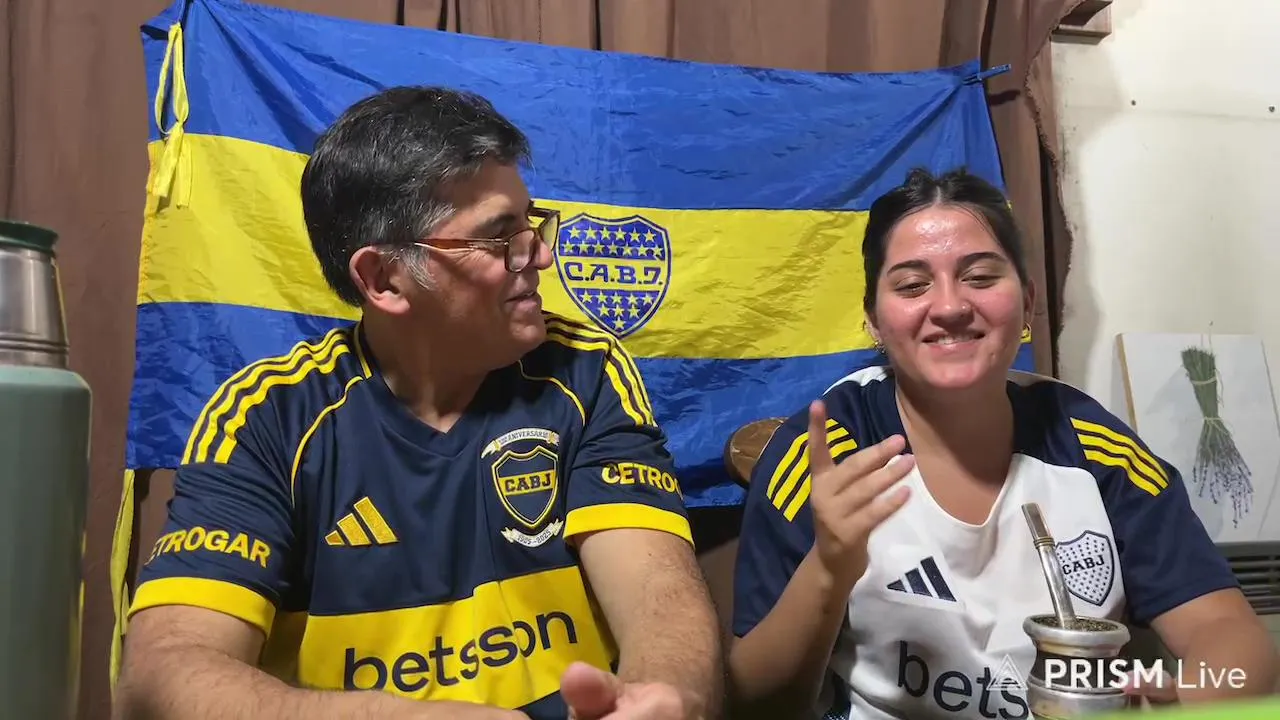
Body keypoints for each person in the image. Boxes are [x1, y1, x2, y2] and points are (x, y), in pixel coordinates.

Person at [113, 86, 722, 720]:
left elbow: (659, 591)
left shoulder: (585, 370)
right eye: (500, 238)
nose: (541, 255)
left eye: (532, 223)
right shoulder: (267, 418)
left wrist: (659, 694)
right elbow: (159, 677)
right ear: (383, 279)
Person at [727, 167, 1278, 719]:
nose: (949, 307)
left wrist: (1186, 698)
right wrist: (829, 569)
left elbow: (1232, 638)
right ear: (873, 318)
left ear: (1028, 299)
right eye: (913, 286)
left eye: (981, 277)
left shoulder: (1097, 448)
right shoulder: (824, 455)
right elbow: (754, 703)